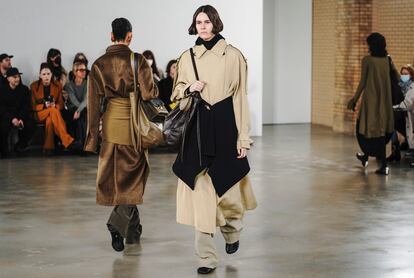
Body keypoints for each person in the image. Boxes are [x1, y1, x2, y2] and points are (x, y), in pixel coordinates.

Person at [171, 5, 257, 274]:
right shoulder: (187, 57)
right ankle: (206, 258)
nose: (203, 26)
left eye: (207, 21)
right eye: (199, 22)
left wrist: (243, 137)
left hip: (226, 126)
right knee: (202, 194)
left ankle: (232, 230)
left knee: (229, 189)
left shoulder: (234, 56)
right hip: (198, 129)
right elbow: (177, 94)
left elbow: (241, 98)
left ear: (216, 24)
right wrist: (188, 88)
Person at [84, 18, 158, 254]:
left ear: (111, 35)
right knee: (133, 179)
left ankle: (133, 233)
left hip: (109, 126)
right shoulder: (138, 60)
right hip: (133, 126)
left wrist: (92, 138)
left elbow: (93, 104)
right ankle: (116, 224)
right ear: (129, 36)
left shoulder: (98, 64)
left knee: (119, 179)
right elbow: (148, 95)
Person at [347, 32, 395, 175]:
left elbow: (362, 82)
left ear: (372, 45)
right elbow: (397, 77)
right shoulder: (388, 59)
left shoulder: (367, 60)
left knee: (365, 127)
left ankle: (382, 165)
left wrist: (354, 99)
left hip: (371, 101)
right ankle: (369, 158)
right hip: (385, 101)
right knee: (380, 131)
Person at [30, 63, 78, 154]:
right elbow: (32, 106)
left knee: (50, 119)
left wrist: (55, 105)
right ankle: (67, 141)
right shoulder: (33, 86)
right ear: (40, 75)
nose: (46, 76)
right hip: (39, 113)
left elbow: (61, 103)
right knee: (52, 111)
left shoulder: (57, 85)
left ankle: (48, 148)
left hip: (53, 112)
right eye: (44, 74)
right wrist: (44, 106)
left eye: (48, 74)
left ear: (51, 74)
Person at [0, 68, 35, 158]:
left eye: (18, 77)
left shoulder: (24, 89)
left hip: (20, 116)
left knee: (31, 125)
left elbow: (26, 106)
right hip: (7, 116)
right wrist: (12, 118)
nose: (17, 79)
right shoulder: (2, 90)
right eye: (14, 77)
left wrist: (21, 118)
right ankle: (5, 151)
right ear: (8, 78)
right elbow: (2, 108)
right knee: (3, 127)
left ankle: (20, 146)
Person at [390, 65, 414, 166]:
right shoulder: (401, 87)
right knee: (392, 125)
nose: (404, 76)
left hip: (410, 114)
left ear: (411, 75)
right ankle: (395, 152)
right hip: (405, 116)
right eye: (402, 74)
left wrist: (394, 107)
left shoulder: (412, 87)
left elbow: (408, 103)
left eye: (406, 74)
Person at [63, 61, 88, 148]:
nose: (84, 72)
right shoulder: (69, 85)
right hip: (72, 110)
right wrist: (78, 111)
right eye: (81, 70)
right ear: (74, 72)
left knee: (83, 115)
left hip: (82, 109)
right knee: (80, 116)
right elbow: (73, 100)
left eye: (85, 70)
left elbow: (86, 100)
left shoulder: (87, 83)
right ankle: (81, 144)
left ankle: (82, 144)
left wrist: (79, 111)